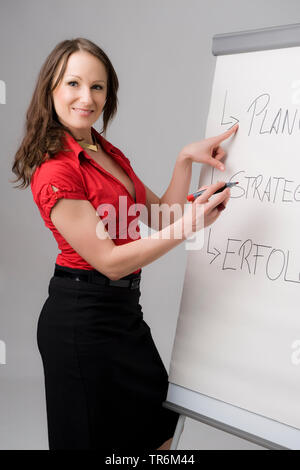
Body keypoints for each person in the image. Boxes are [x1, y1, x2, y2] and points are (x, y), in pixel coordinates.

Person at [11, 37, 238, 451]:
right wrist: (188, 226)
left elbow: (162, 215)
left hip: (123, 315)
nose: (86, 97)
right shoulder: (55, 170)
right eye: (73, 84)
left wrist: (185, 159)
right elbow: (111, 262)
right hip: (81, 322)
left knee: (159, 433)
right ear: (51, 90)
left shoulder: (102, 149)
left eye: (97, 86)